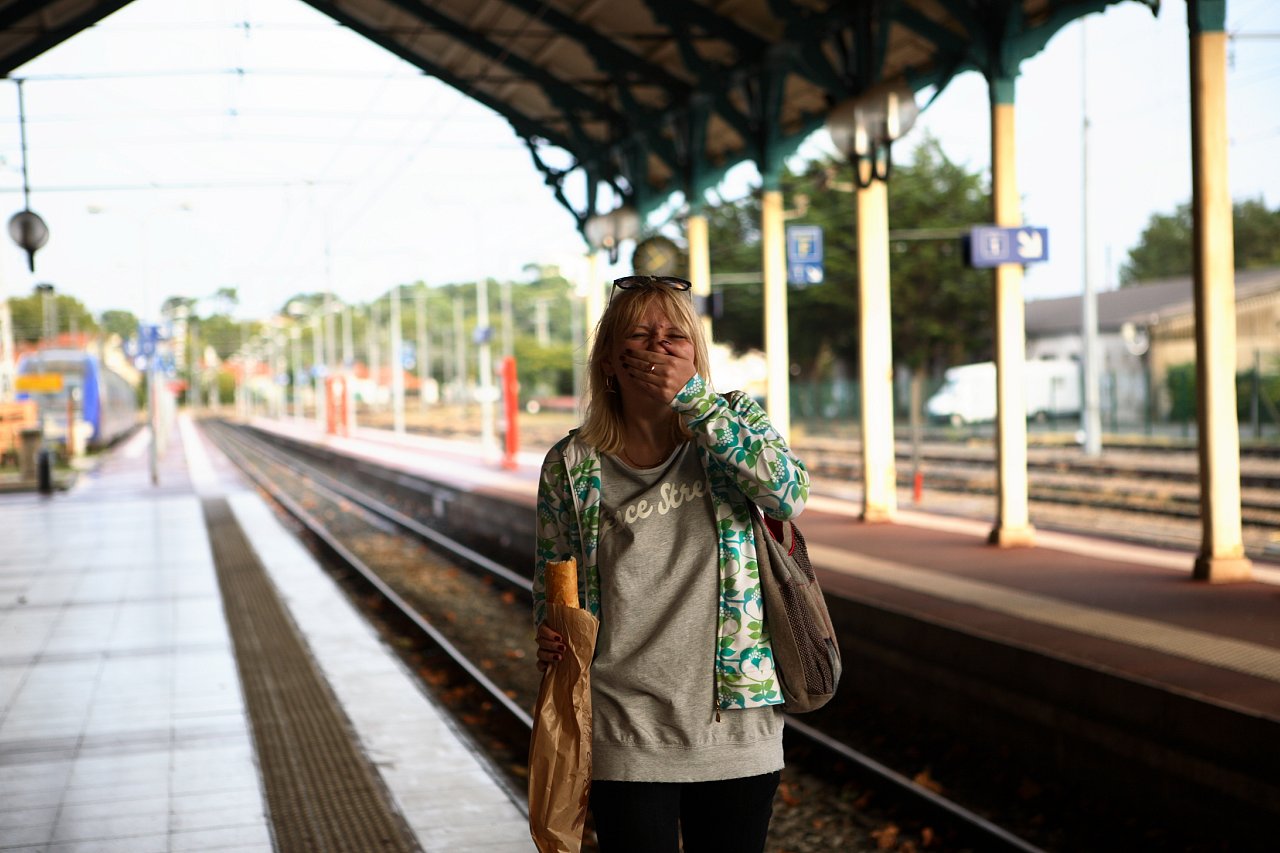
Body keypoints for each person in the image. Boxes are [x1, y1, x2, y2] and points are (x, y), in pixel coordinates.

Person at [532, 275, 810, 853]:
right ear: (610, 360)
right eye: (639, 334)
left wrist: (697, 403)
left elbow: (788, 494)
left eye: (675, 335)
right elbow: (553, 577)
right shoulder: (571, 463)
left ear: (695, 353)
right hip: (622, 724)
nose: (659, 344)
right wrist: (551, 629)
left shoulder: (732, 422)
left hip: (735, 722)